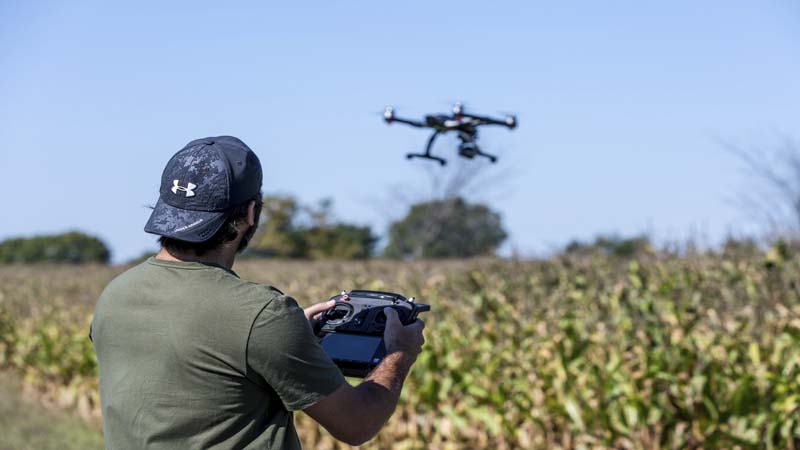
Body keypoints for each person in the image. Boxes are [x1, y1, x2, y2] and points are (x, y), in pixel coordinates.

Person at [90, 136, 426, 449]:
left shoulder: (115, 295)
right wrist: (399, 353)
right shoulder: (262, 314)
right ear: (251, 213)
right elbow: (357, 424)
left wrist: (282, 335)